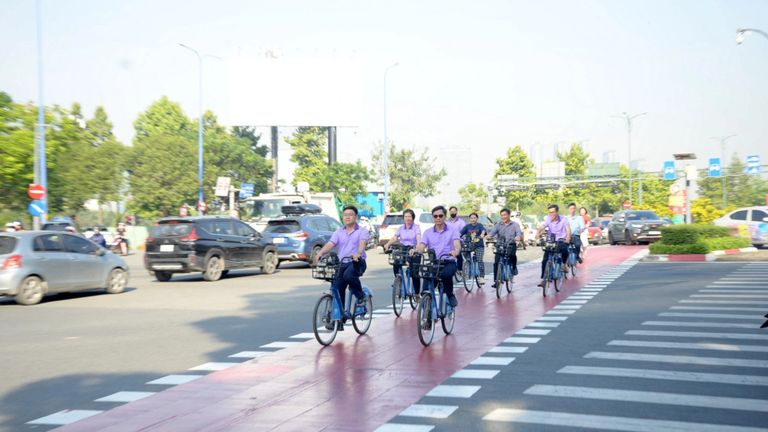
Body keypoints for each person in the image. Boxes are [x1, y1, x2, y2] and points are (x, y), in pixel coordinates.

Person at [313, 205, 369, 330]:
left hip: (356, 262)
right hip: (341, 263)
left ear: (356, 217)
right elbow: (330, 244)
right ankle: (339, 318)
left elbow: (362, 244)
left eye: (350, 214)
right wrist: (320, 253)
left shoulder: (362, 231)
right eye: (345, 215)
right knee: (337, 287)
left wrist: (358, 253)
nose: (347, 217)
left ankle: (360, 296)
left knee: (349, 276)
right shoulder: (339, 232)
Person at [413, 205, 461, 307]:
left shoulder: (452, 230)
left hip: (448, 261)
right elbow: (422, 245)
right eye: (435, 216)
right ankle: (427, 312)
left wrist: (456, 251)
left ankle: (450, 294)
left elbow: (457, 243)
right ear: (432, 217)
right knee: (426, 283)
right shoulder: (428, 232)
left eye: (440, 215)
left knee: (446, 275)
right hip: (434, 263)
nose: (438, 218)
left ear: (445, 216)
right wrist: (416, 250)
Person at [384, 208, 422, 298]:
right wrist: (388, 244)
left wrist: (417, 248)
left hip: (414, 249)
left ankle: (417, 293)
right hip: (403, 249)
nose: (407, 218)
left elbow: (419, 239)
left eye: (409, 216)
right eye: (406, 216)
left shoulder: (416, 228)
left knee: (414, 273)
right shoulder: (401, 228)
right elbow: (395, 238)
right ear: (403, 218)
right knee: (396, 262)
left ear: (413, 218)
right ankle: (398, 281)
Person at [536, 204, 571, 287]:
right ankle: (544, 279)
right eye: (550, 212)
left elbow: (568, 229)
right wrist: (538, 233)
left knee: (565, 250)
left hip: (561, 240)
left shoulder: (563, 219)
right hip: (551, 240)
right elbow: (543, 226)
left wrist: (568, 238)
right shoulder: (548, 218)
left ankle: (564, 264)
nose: (551, 214)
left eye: (553, 212)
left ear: (557, 212)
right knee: (545, 259)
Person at [487, 208, 523, 287]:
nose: (503, 217)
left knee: (512, 255)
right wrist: (489, 236)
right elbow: (492, 232)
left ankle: (513, 267)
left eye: (505, 215)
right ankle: (497, 281)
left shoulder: (515, 225)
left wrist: (518, 237)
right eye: (502, 215)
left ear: (509, 215)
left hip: (511, 244)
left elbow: (518, 233)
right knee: (496, 262)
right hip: (500, 245)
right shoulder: (498, 225)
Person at [460, 212, 487, 285]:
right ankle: (468, 270)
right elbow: (461, 233)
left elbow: (483, 231)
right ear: (469, 219)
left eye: (474, 218)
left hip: (479, 245)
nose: (473, 219)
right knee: (466, 258)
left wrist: (482, 235)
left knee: (480, 260)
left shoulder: (480, 225)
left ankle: (481, 277)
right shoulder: (467, 226)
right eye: (471, 218)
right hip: (469, 245)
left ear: (477, 218)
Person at [446, 206, 466, 272]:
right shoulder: (447, 222)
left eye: (454, 211)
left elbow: (464, 232)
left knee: (458, 253)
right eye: (451, 212)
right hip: (449, 240)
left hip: (459, 240)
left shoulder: (461, 222)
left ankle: (460, 269)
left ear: (456, 212)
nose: (453, 213)